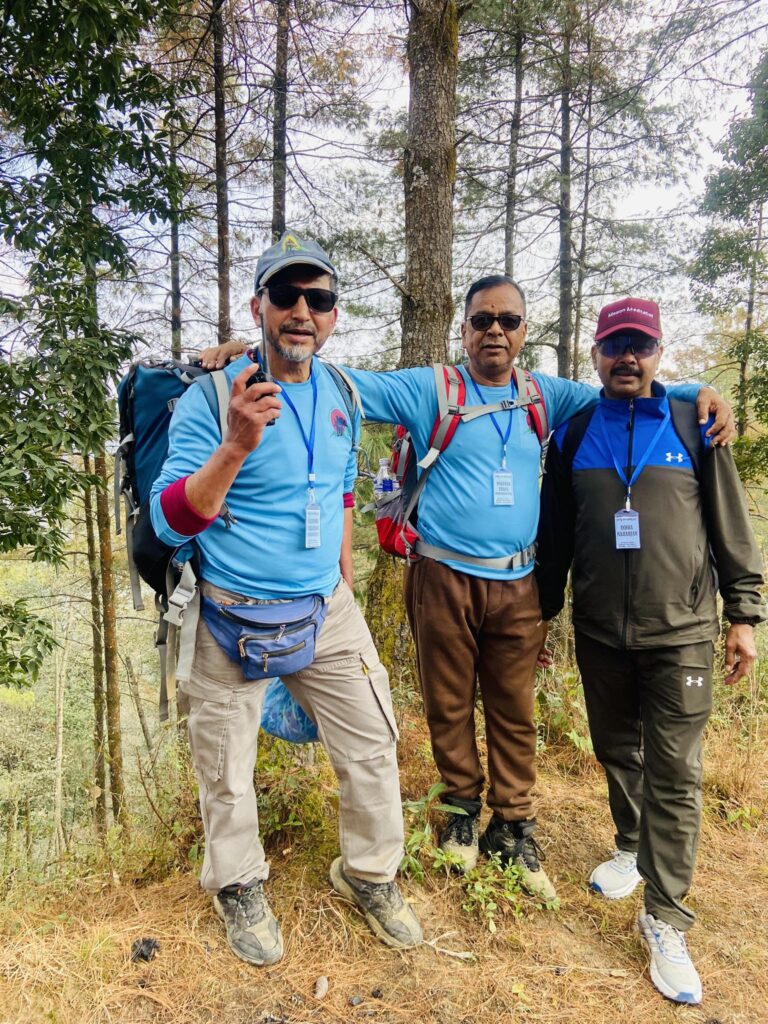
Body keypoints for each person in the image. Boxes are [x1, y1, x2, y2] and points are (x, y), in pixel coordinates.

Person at [202, 273, 734, 903]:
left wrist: (699, 392)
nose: (495, 332)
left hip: (519, 582)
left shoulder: (546, 394)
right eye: (482, 320)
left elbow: (627, 389)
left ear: (524, 332)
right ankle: (459, 809)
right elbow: (338, 379)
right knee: (448, 703)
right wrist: (252, 351)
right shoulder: (432, 388)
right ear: (464, 329)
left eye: (508, 321)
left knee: (514, 710)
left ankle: (514, 824)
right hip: (442, 576)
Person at [150, 231, 422, 967]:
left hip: (325, 608)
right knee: (225, 769)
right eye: (286, 294)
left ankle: (369, 872)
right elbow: (168, 519)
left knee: (372, 743)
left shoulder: (343, 394)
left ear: (333, 315)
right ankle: (238, 884)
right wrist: (235, 444)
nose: (303, 310)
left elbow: (337, 492)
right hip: (227, 611)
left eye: (319, 298)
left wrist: (342, 583)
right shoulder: (213, 398)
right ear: (259, 306)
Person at [535, 297, 765, 1004]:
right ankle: (631, 846)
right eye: (615, 346)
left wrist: (744, 614)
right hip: (600, 632)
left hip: (683, 634)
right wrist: (544, 615)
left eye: (640, 345)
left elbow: (729, 524)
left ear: (659, 352)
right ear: (596, 354)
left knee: (675, 772)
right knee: (617, 749)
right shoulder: (574, 434)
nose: (627, 357)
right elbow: (555, 538)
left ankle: (665, 917)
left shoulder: (694, 425)